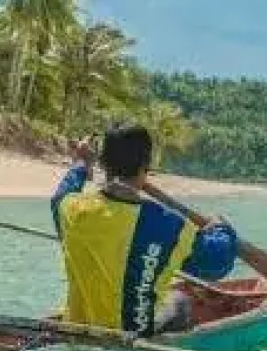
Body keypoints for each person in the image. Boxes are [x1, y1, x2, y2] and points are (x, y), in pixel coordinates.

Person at [51, 122, 238, 335]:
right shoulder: (169, 225)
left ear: (103, 163)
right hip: (133, 336)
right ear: (147, 164)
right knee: (181, 301)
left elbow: (64, 191)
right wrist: (221, 229)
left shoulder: (70, 208)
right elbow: (218, 264)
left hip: (77, 329)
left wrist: (82, 163)